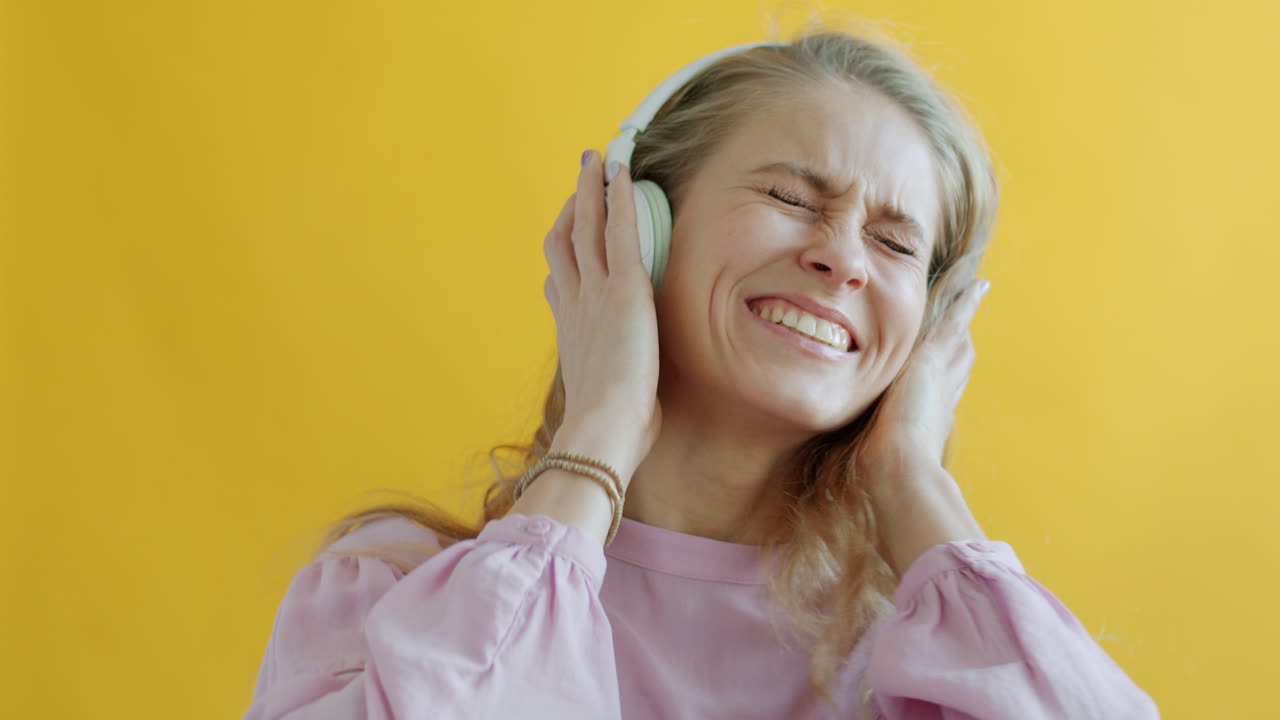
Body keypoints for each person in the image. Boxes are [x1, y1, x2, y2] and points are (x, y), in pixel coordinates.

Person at [242, 26, 1160, 720]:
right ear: (636, 230)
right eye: (791, 197)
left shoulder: (913, 665)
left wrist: (910, 476)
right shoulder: (387, 597)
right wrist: (599, 426)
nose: (843, 261)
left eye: (894, 244)